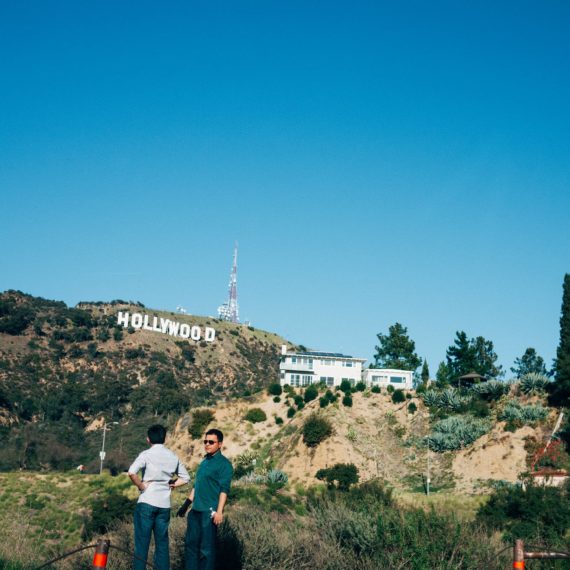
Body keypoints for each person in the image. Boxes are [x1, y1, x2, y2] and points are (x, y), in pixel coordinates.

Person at [128, 424, 190, 570]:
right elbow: (186, 478)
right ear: (165, 439)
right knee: (162, 544)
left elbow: (132, 472)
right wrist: (172, 484)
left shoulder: (146, 454)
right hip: (164, 505)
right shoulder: (172, 456)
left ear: (148, 439)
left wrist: (141, 486)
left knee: (142, 545)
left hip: (147, 502)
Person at [177, 428, 233, 570]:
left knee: (206, 551)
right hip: (195, 512)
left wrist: (219, 511)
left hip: (209, 513)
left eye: (211, 442)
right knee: (190, 548)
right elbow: (197, 486)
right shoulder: (204, 461)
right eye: (205, 441)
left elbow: (224, 490)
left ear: (219, 444)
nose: (207, 444)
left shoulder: (224, 464)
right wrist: (186, 505)